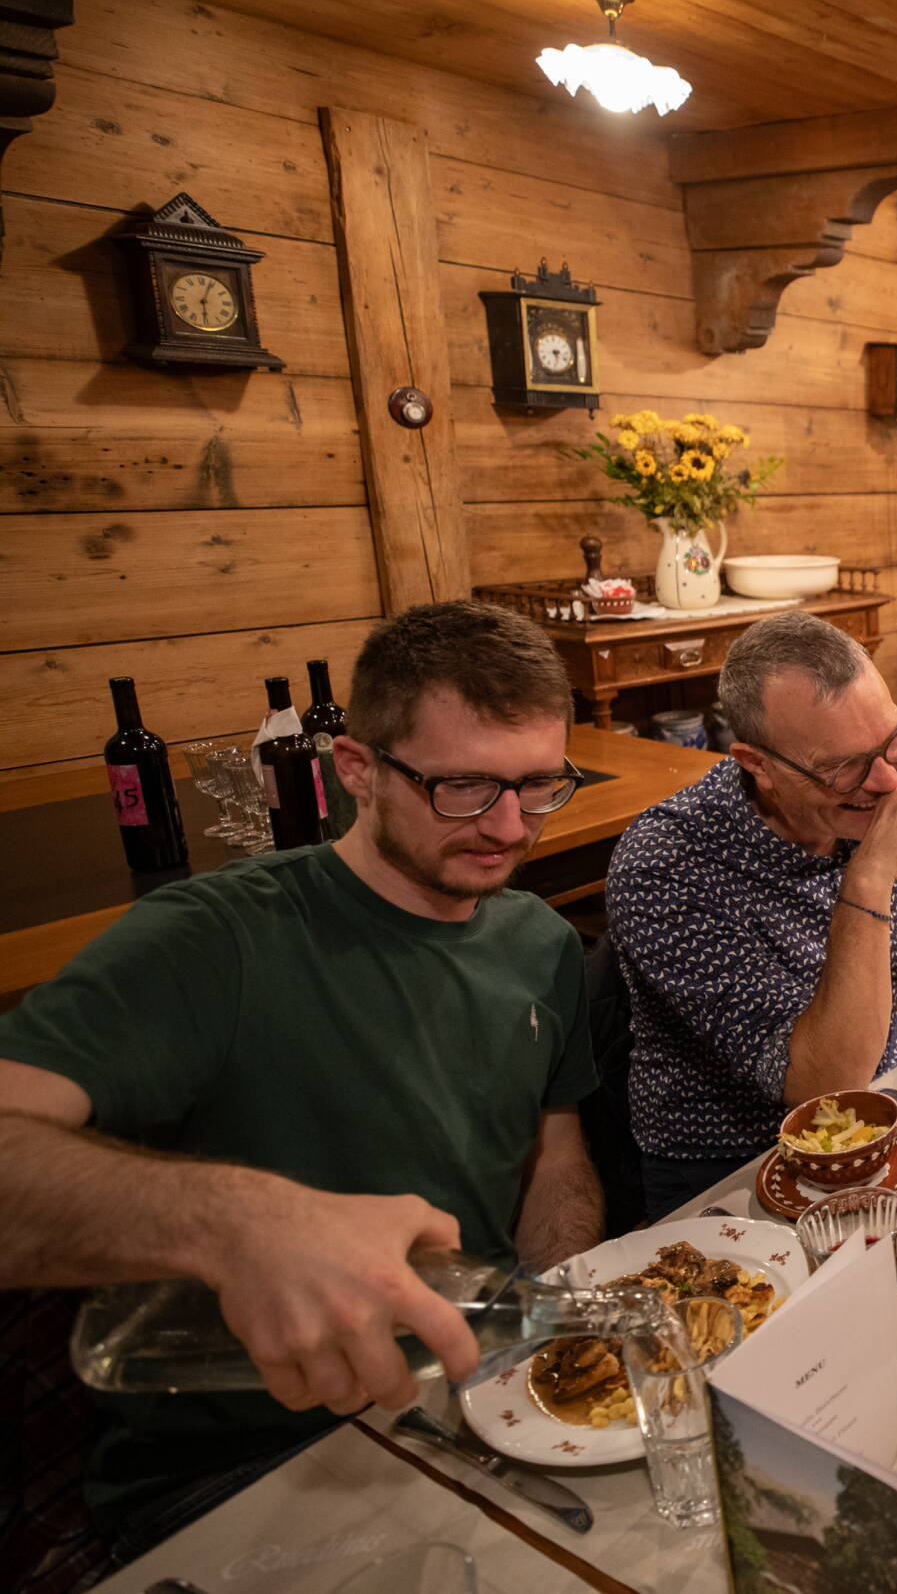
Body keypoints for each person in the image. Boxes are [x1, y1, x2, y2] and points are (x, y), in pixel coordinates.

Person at [0, 602, 603, 1560]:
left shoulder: (538, 942)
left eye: (538, 785)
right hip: (241, 1468)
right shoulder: (216, 940)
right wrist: (237, 1220)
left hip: (472, 1406)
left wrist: (557, 1314)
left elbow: (551, 1152)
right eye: (464, 788)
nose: (508, 825)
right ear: (357, 768)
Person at [609, 613, 897, 1217]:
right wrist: (870, 877)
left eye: (894, 740)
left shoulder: (873, 785)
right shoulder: (666, 864)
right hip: (735, 1173)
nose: (886, 779)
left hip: (884, 1128)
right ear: (757, 764)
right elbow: (823, 1089)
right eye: (843, 766)